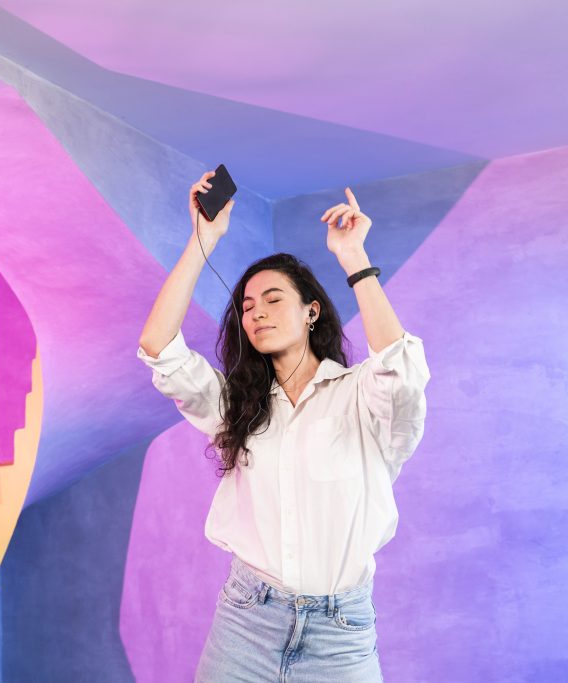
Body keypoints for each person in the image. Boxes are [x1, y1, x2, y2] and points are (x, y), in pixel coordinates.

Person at [137, 170, 431, 682]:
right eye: (247, 307)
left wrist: (354, 258)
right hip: (246, 621)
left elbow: (400, 368)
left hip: (340, 633)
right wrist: (202, 241)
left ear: (311, 311)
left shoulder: (363, 394)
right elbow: (159, 348)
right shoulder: (238, 406)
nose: (257, 314)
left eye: (273, 299)